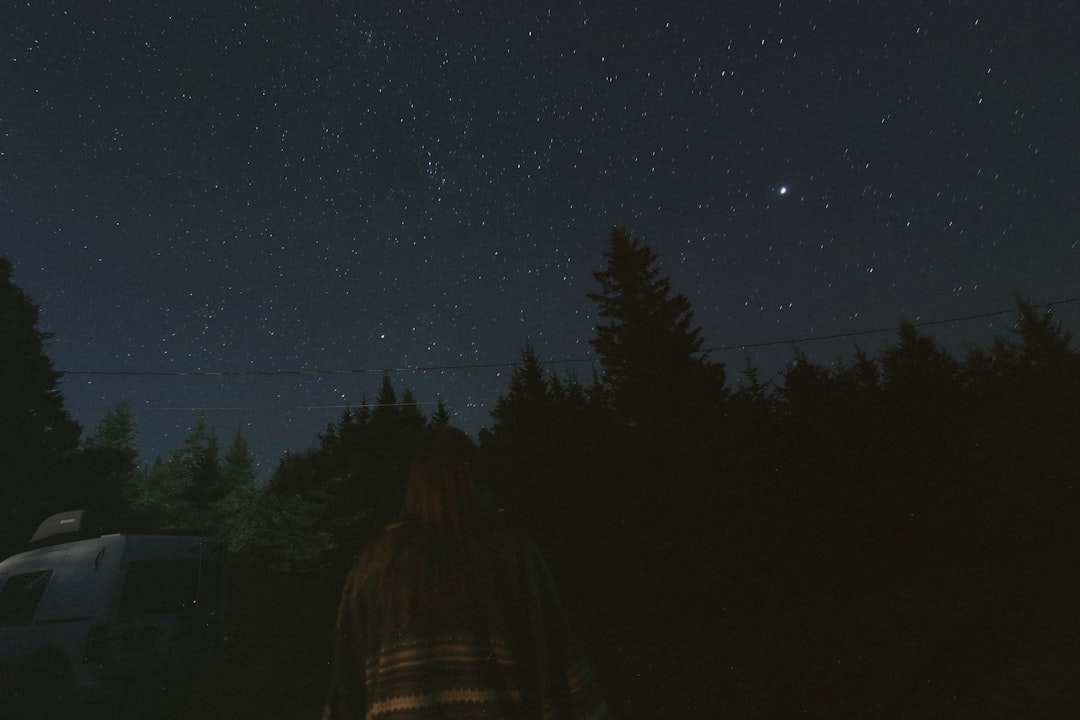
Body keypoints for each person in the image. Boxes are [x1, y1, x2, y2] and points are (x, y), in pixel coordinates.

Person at [323, 426, 610, 719]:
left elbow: (346, 688)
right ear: (475, 478)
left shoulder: (375, 564)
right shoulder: (512, 551)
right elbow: (559, 664)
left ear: (415, 484)